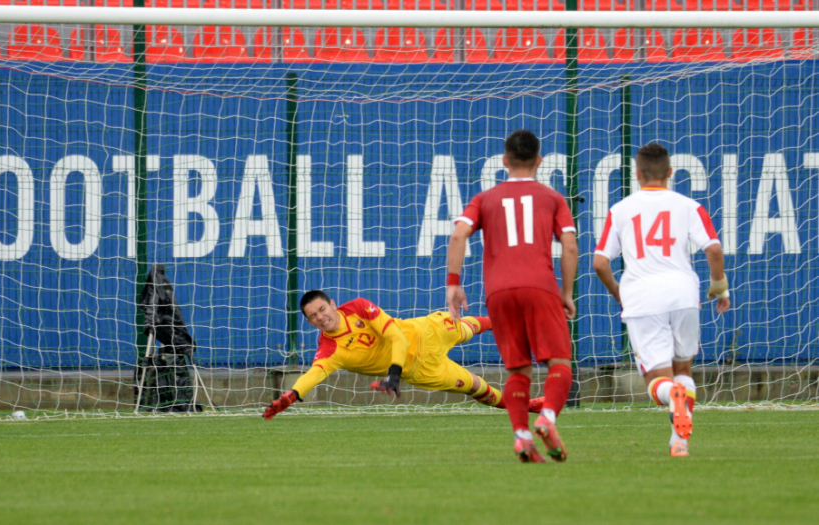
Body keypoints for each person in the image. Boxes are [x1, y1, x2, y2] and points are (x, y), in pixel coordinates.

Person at [446, 129, 578, 463]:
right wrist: (566, 292)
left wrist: (453, 283)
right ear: (540, 161)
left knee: (518, 370)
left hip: (499, 292)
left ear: (504, 162)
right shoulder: (552, 198)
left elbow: (459, 234)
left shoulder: (484, 198)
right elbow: (570, 246)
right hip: (540, 287)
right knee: (559, 363)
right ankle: (546, 418)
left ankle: (521, 437)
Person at [593, 142, 729, 457]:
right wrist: (719, 287)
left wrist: (619, 293)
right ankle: (678, 441)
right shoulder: (689, 206)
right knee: (683, 368)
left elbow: (600, 262)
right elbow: (714, 250)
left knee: (658, 381)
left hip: (642, 298)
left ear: (637, 174)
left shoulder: (621, 209)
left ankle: (674, 402)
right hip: (683, 295)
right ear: (670, 173)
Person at [263, 290, 544, 420]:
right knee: (476, 387)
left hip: (424, 333)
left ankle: (513, 320)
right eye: (313, 317)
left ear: (332, 304)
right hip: (421, 370)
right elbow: (314, 374)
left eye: (322, 309)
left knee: (466, 327)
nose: (321, 317)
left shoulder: (359, 307)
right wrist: (290, 396)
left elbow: (395, 336)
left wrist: (392, 375)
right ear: (310, 322)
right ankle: (527, 406)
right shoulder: (329, 350)